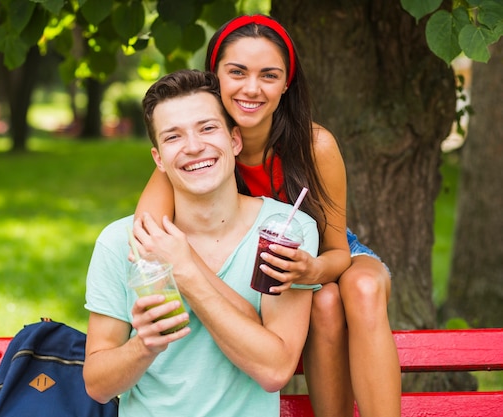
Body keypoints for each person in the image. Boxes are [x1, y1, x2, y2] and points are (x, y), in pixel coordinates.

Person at [135, 15, 401, 417]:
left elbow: (337, 251)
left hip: (325, 254)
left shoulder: (315, 145)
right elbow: (148, 236)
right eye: (237, 72)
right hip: (247, 268)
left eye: (269, 75)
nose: (252, 88)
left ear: (287, 84)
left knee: (360, 289)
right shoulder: (197, 149)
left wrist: (310, 271)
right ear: (215, 77)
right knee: (325, 305)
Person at [83, 69, 320, 417]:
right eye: (174, 137)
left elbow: (275, 369)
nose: (194, 147)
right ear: (158, 158)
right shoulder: (119, 242)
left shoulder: (284, 231)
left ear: (235, 140)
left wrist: (185, 269)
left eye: (207, 128)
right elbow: (97, 385)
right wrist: (143, 347)